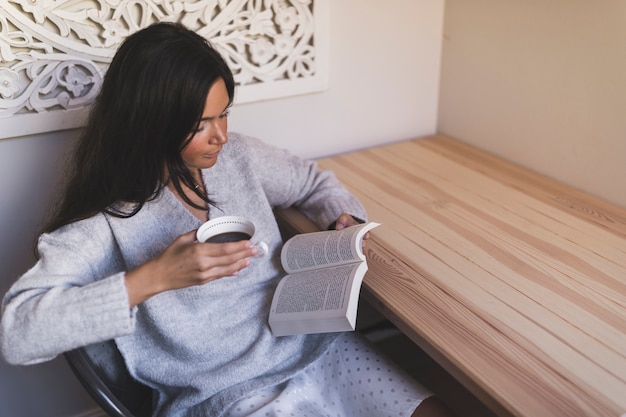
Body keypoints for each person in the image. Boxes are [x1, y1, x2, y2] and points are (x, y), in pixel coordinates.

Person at [0, 22, 455, 417]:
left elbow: (315, 182)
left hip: (318, 350)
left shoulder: (239, 160)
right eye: (201, 123)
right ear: (149, 123)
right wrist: (154, 277)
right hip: (224, 392)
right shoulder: (106, 224)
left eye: (225, 114)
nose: (221, 135)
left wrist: (343, 218)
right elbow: (18, 333)